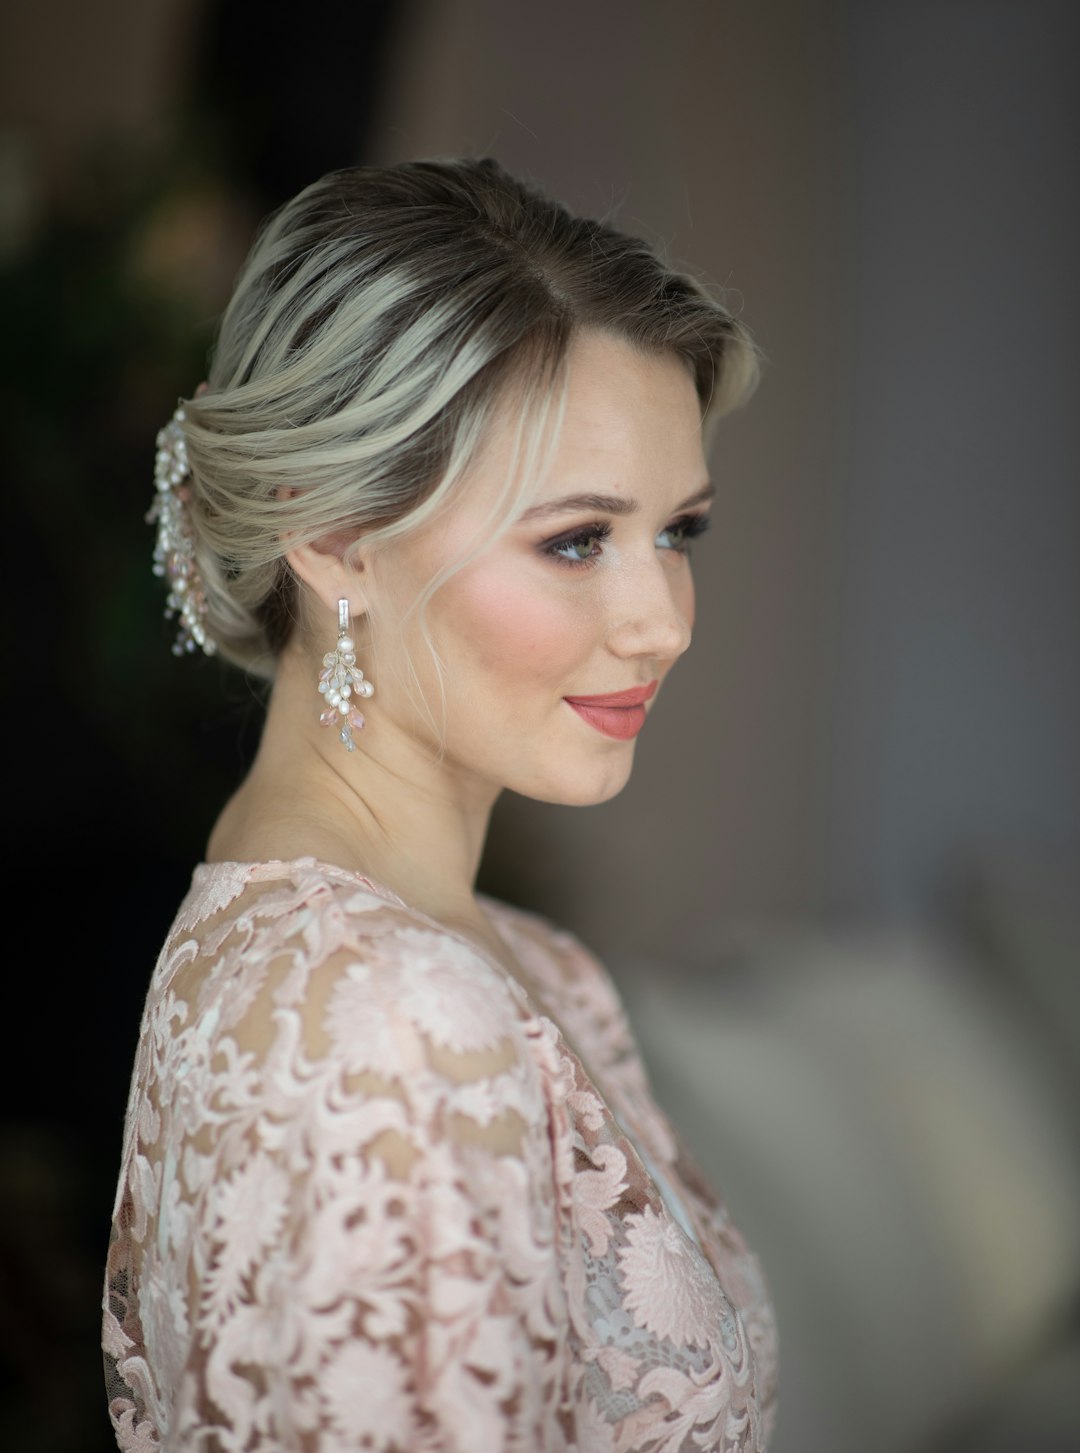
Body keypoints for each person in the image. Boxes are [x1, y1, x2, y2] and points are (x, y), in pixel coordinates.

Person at [102, 156, 779, 1452]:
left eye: (677, 532)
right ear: (336, 533)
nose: (663, 622)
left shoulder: (521, 964)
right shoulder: (393, 1023)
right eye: (576, 538)